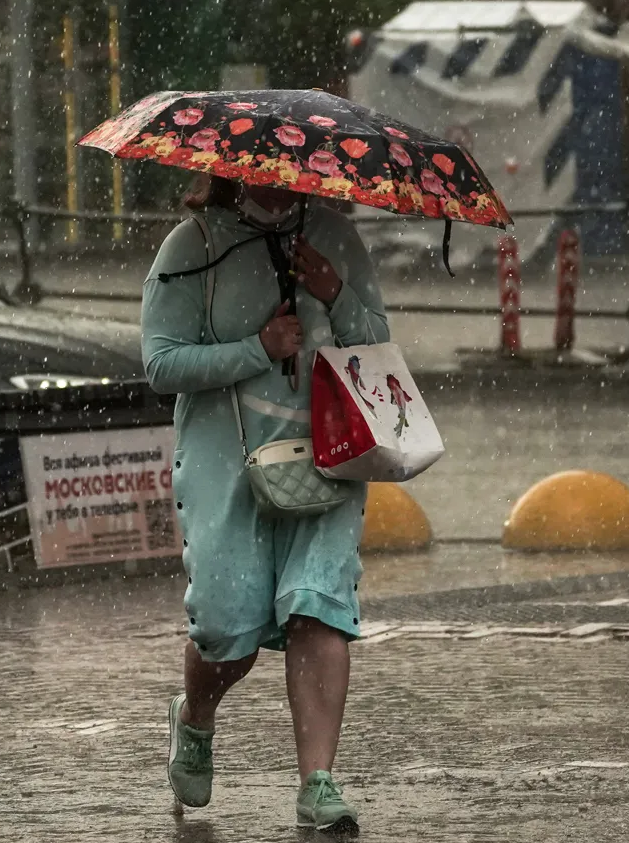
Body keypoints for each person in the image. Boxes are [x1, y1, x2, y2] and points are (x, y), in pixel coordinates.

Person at [141, 173, 389, 835]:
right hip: (228, 462)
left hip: (329, 456)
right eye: (261, 170)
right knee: (228, 629)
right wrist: (257, 349)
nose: (276, 184)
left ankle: (318, 782)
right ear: (232, 169)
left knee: (317, 606)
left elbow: (377, 348)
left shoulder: (336, 236)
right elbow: (161, 364)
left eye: (288, 171)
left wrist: (335, 295)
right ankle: (194, 716)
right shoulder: (190, 246)